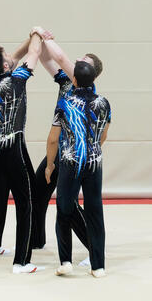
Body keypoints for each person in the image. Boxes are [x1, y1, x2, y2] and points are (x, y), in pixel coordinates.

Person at [39, 34, 112, 278]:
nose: (76, 60)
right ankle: (98, 266)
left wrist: (41, 33)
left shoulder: (67, 101)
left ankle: (67, 260)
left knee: (64, 208)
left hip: (69, 157)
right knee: (94, 210)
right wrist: (92, 148)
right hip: (93, 160)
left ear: (80, 75)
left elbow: (52, 138)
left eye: (82, 60)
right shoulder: (103, 102)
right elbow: (103, 135)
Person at [0, 31, 44, 273]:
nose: (12, 56)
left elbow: (18, 55)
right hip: (12, 148)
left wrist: (31, 36)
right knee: (25, 202)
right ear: (6, 66)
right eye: (8, 56)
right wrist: (38, 32)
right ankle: (22, 261)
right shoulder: (16, 80)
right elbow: (34, 53)